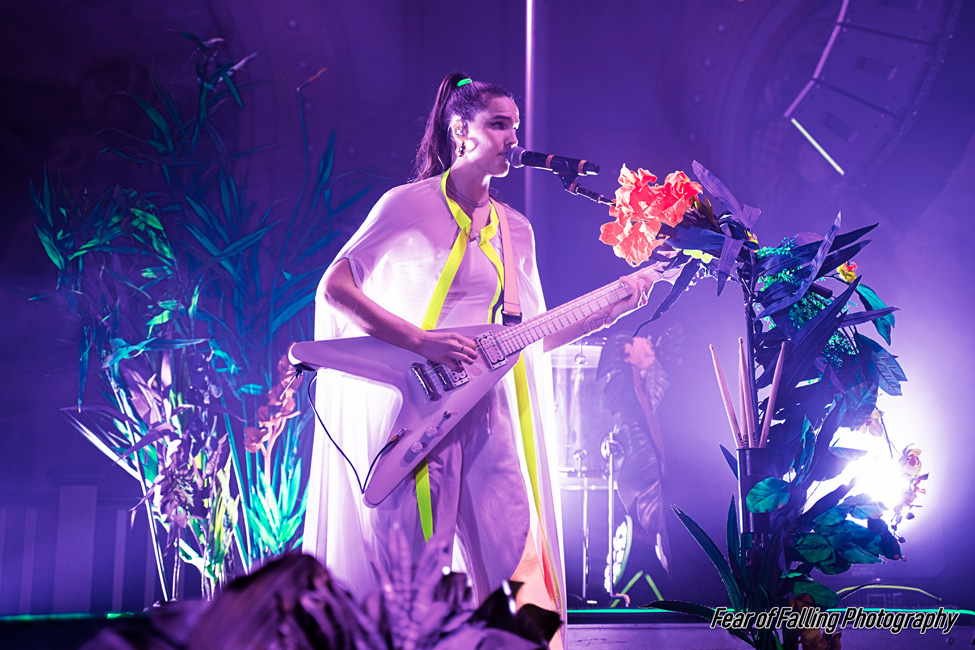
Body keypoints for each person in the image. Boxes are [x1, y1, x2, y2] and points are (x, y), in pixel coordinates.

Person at [302, 72, 657, 648]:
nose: (512, 138)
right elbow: (334, 290)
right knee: (410, 585)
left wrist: (612, 307)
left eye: (516, 126)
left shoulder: (516, 229)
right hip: (418, 417)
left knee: (518, 575)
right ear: (460, 128)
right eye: (498, 124)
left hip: (491, 417)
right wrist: (421, 342)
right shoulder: (407, 205)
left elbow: (531, 340)